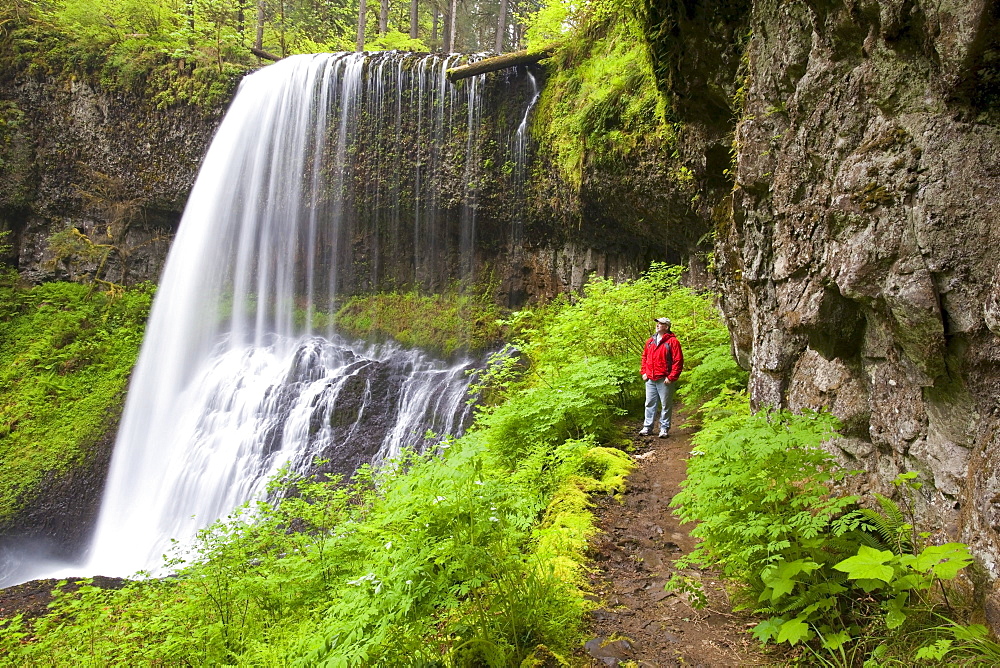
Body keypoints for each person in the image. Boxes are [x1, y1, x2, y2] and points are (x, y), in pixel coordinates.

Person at [640, 316, 683, 438]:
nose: (658, 325)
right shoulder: (650, 341)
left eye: (661, 323)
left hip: (664, 379)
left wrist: (671, 377)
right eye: (657, 323)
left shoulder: (673, 342)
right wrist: (644, 372)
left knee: (665, 404)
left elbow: (678, 361)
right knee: (649, 403)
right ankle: (647, 427)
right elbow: (644, 357)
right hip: (650, 378)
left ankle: (664, 428)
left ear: (667, 327)